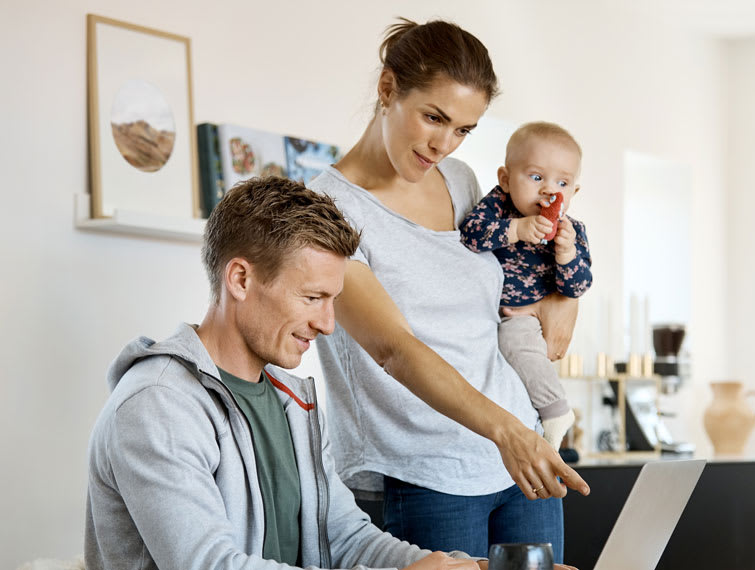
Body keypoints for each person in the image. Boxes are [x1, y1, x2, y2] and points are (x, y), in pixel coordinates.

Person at [83, 177, 483, 570]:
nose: (328, 324)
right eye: (312, 298)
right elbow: (208, 565)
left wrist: (453, 566)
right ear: (241, 279)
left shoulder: (292, 403)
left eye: (332, 301)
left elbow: (345, 537)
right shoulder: (157, 404)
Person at [308, 18, 588, 561]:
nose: (444, 143)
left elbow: (518, 275)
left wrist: (567, 298)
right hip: (422, 472)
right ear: (388, 89)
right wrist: (508, 432)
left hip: (518, 458)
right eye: (433, 117)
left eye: (463, 129)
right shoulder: (327, 208)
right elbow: (392, 348)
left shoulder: (459, 181)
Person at [459, 122, 592, 450]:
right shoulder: (498, 208)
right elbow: (471, 234)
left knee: (518, 345)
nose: (549, 191)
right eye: (536, 177)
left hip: (525, 319)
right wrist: (516, 229)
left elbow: (577, 286)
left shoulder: (571, 230)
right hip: (483, 314)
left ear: (574, 192)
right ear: (505, 179)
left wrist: (567, 253)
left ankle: (556, 409)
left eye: (562, 182)